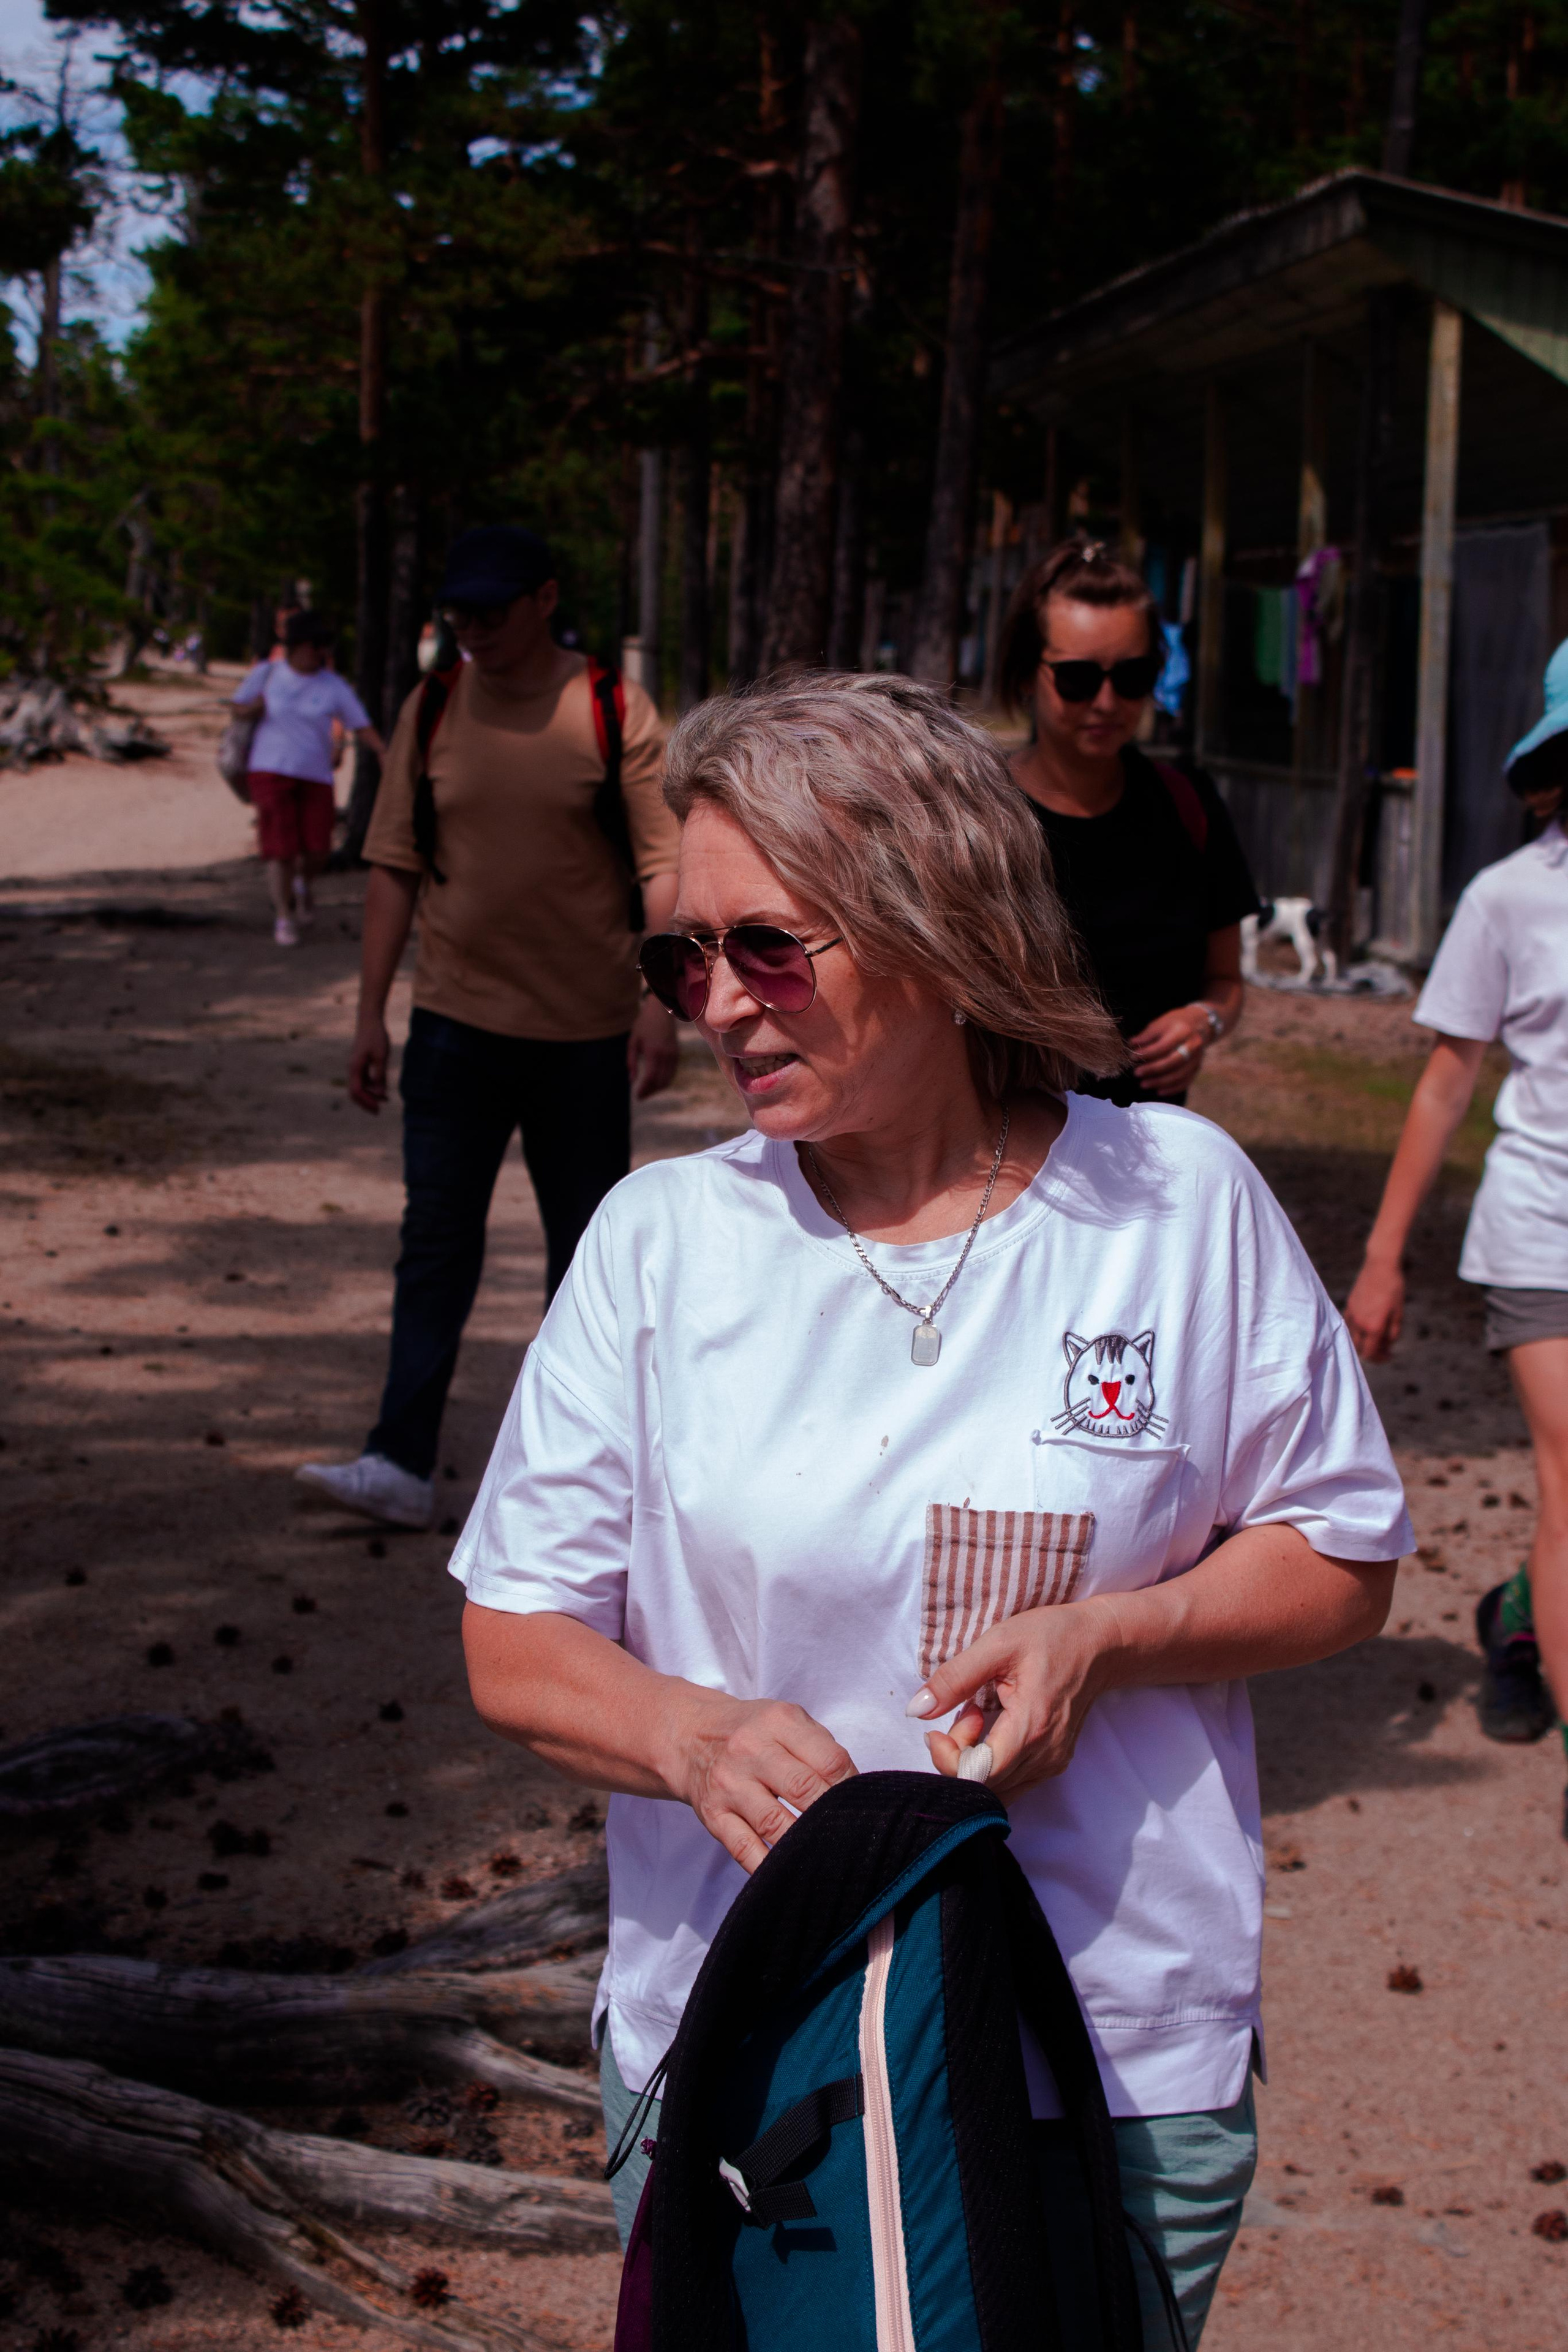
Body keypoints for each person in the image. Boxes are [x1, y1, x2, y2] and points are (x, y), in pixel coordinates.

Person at [451, 673, 1412, 2347]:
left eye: (770, 947)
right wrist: (689, 1737)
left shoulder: (1173, 1205)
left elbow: (1340, 1552)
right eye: (686, 957)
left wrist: (1117, 1636)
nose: (723, 1005)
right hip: (753, 2041)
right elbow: (512, 1637)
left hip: (1108, 2055)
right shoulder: (661, 1244)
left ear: (935, 919)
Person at [296, 525, 680, 1532]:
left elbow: (663, 865)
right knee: (434, 1245)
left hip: (583, 1036)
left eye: (492, 612)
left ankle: (574, 1489)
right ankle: (401, 1461)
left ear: (546, 599)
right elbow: (394, 868)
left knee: (585, 1266)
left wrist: (659, 999)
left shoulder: (610, 708)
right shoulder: (434, 706)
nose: (471, 630)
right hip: (455, 1027)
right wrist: (369, 1014)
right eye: (457, 612)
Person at [1346, 641, 1568, 1830]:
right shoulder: (1506, 899)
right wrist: (1381, 1260)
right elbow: (1442, 1083)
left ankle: (1515, 1618)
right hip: (1542, 1230)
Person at [1000, 541, 1261, 1103]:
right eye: (1077, 678)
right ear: (1026, 675)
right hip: (1005, 1159)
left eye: (1133, 676)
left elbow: (1227, 983)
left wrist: (1203, 1022)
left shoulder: (1188, 805)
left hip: (1149, 1152)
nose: (1106, 701)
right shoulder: (976, 815)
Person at [231, 611, 384, 946]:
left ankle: (302, 884)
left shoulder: (333, 684)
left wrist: (383, 752)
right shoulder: (267, 675)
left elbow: (359, 722)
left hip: (315, 773)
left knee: (317, 848)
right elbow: (237, 708)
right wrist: (252, 709)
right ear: (299, 646)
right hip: (270, 769)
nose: (323, 652)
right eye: (318, 646)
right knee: (281, 848)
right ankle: (284, 916)